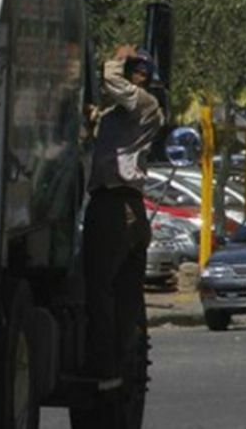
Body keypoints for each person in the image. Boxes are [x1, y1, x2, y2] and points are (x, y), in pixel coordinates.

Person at [82, 45, 164, 397]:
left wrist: (114, 57)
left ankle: (109, 364)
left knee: (101, 286)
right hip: (116, 204)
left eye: (140, 69)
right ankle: (117, 361)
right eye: (133, 68)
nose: (135, 74)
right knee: (121, 293)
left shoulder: (145, 105)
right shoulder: (114, 115)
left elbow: (112, 81)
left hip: (118, 206)